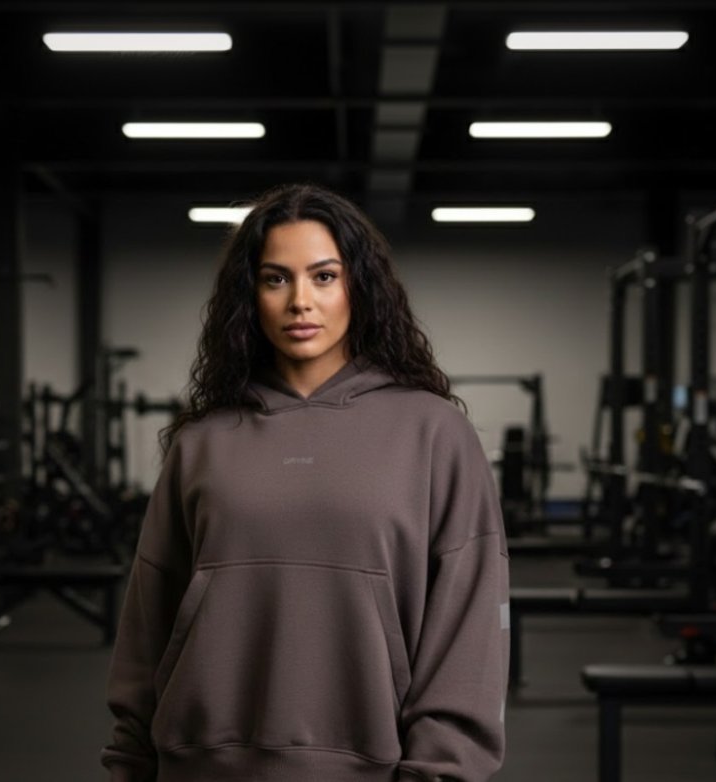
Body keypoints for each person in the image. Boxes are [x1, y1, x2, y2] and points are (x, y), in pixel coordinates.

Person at [101, 184, 509, 781]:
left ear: (358, 289)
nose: (300, 301)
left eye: (323, 277)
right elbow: (148, 622)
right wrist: (129, 763)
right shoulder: (202, 442)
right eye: (275, 279)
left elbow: (468, 628)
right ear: (251, 295)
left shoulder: (434, 433)